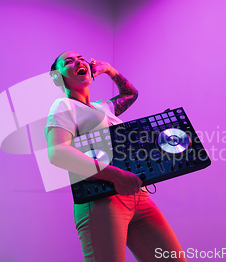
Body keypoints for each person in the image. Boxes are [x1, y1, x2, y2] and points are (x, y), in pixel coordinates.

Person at [45, 51, 187, 262]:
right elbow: (57, 152)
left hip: (139, 196)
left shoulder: (103, 107)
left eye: (81, 58)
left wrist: (110, 70)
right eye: (69, 62)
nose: (79, 62)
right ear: (58, 77)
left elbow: (131, 94)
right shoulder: (64, 106)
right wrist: (116, 176)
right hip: (102, 201)